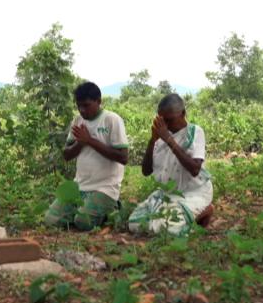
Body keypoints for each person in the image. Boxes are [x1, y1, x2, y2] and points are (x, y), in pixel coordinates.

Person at [45, 82, 129, 230]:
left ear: (99, 101)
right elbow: (67, 155)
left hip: (105, 188)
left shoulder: (112, 120)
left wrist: (90, 140)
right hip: (80, 186)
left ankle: (112, 208)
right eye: (79, 106)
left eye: (86, 105)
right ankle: (84, 210)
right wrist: (80, 143)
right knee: (51, 220)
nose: (82, 110)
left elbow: (123, 158)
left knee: (83, 222)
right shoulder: (78, 121)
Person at [128, 93, 213, 235]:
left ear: (183, 113)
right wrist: (152, 140)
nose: (166, 125)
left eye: (170, 120)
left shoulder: (194, 132)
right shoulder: (160, 137)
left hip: (193, 193)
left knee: (167, 229)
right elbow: (146, 171)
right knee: (135, 223)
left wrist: (169, 140)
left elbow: (195, 169)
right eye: (163, 121)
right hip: (167, 194)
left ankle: (205, 211)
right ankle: (188, 218)